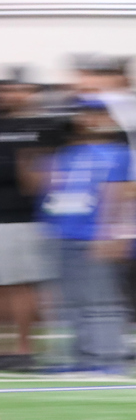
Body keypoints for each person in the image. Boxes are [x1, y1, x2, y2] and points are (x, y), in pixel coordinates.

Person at [42, 97, 136, 372]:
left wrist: (118, 235)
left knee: (102, 299)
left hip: (95, 236)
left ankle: (109, 357)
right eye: (86, 114)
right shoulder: (65, 155)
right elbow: (53, 193)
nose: (91, 120)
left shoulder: (119, 154)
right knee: (71, 300)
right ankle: (80, 355)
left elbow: (126, 195)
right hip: (64, 235)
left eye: (98, 114)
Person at [0, 70, 61, 370]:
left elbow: (41, 181)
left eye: (17, 90)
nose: (9, 96)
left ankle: (25, 348)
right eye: (5, 90)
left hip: (25, 218)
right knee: (3, 286)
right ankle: (7, 348)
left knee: (23, 285)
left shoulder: (43, 126)